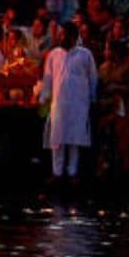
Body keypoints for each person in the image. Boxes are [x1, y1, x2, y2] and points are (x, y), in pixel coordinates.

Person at [40, 21, 98, 181]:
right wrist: (44, 97)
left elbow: (92, 78)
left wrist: (93, 98)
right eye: (60, 34)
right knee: (57, 139)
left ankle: (72, 172)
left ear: (73, 36)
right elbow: (48, 78)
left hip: (79, 103)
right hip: (59, 103)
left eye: (63, 34)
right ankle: (57, 172)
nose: (60, 37)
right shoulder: (54, 55)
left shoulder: (85, 54)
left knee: (74, 139)